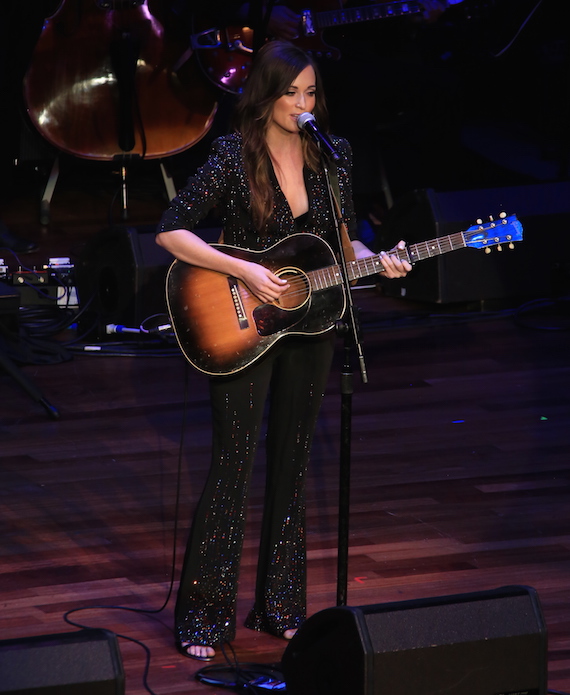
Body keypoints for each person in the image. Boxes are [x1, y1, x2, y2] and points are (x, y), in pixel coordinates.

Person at [156, 39, 411, 662]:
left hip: (314, 321)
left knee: (293, 461)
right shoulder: (232, 155)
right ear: (266, 95)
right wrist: (238, 268)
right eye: (290, 93)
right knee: (233, 463)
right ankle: (207, 617)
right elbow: (171, 229)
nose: (302, 104)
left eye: (311, 92)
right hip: (243, 320)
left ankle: (281, 605)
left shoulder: (335, 159)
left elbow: (342, 245)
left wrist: (380, 262)